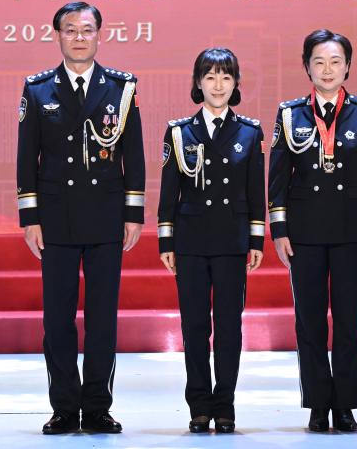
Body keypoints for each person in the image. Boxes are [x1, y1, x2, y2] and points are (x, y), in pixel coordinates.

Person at [16, 1, 145, 434]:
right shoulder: (38, 89)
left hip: (106, 215)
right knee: (57, 320)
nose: (78, 37)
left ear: (98, 35)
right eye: (70, 30)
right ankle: (64, 407)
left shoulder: (121, 88)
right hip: (56, 218)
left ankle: (98, 406)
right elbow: (27, 157)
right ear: (58, 35)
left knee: (102, 318)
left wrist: (133, 214)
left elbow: (133, 154)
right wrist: (30, 217)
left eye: (86, 30)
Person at [267, 29, 357, 432]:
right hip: (305, 233)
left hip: (353, 230)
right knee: (310, 322)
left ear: (348, 66)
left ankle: (346, 404)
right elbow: (278, 177)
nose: (327, 69)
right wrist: (280, 229)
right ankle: (318, 404)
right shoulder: (290, 114)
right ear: (307, 67)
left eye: (336, 61)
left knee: (349, 322)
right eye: (319, 61)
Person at [157, 48, 265, 434]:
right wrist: (166, 241)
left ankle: (225, 404)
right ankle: (199, 405)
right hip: (190, 241)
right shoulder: (179, 132)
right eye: (210, 76)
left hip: (232, 241)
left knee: (229, 326)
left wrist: (256, 240)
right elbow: (169, 192)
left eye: (226, 77)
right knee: (195, 326)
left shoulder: (250, 132)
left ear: (236, 84)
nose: (218, 85)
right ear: (198, 83)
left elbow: (255, 192)